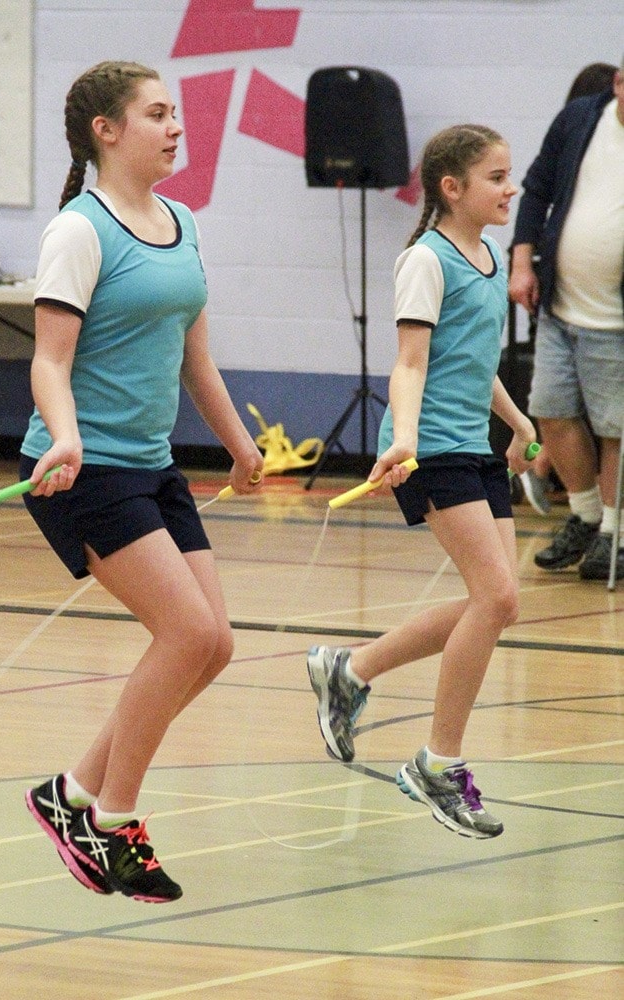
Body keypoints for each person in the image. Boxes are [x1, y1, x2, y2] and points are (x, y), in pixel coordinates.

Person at [21, 61, 263, 902]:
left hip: (151, 463)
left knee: (215, 645)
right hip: (79, 469)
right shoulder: (79, 232)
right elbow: (49, 362)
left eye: (176, 115)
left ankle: (71, 794)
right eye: (158, 114)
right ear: (107, 131)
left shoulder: (181, 222)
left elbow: (195, 354)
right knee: (188, 635)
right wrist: (68, 437)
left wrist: (239, 445)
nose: (175, 128)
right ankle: (115, 821)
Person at [308, 124, 537, 841]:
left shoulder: (488, 255)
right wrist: (402, 436)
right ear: (451, 188)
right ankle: (437, 765)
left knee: (495, 603)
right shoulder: (424, 261)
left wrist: (516, 420)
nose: (511, 188)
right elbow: (409, 364)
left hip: (473, 444)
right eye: (497, 177)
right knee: (495, 596)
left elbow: (469, 359)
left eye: (510, 175)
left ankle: (350, 670)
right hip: (430, 448)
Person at [509, 58, 624, 580]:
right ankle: (585, 516)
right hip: (560, 305)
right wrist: (520, 262)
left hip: (615, 319)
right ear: (619, 84)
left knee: (614, 429)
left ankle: (614, 533)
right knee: (550, 412)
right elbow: (536, 190)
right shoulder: (580, 118)